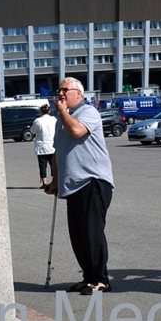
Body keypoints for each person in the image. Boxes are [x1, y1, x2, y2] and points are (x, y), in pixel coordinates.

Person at [44, 78, 115, 295]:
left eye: (66, 89)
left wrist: (63, 113)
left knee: (92, 233)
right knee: (78, 235)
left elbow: (76, 132)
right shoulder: (60, 120)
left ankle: (101, 279)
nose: (61, 93)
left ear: (79, 94)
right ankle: (88, 276)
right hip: (72, 185)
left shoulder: (88, 112)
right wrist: (55, 180)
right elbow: (57, 152)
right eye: (59, 90)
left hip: (92, 181)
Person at [32, 104, 56, 187]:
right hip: (52, 145)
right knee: (53, 165)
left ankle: (44, 183)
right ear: (49, 111)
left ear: (40, 111)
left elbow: (33, 131)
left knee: (42, 165)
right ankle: (55, 181)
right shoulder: (54, 119)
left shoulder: (37, 121)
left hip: (41, 146)